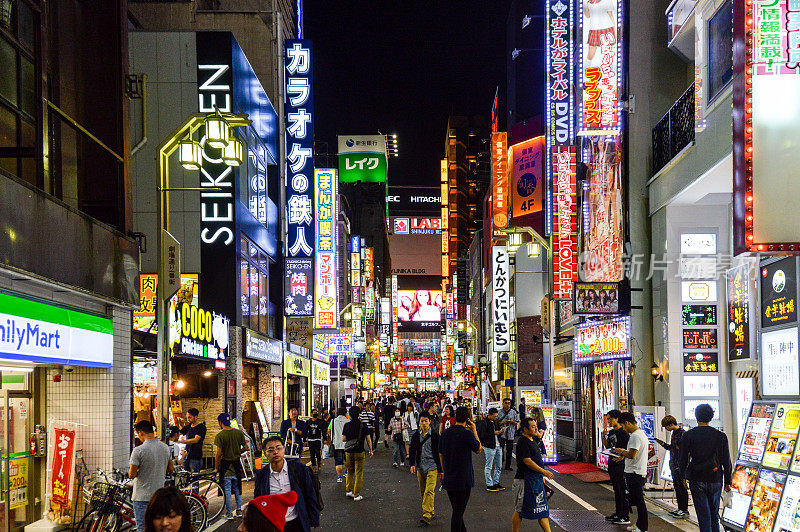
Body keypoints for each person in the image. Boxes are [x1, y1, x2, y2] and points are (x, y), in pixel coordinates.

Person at [679, 404, 732, 532]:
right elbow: (726, 460)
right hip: (716, 478)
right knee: (714, 514)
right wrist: (728, 481)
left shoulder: (688, 435)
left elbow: (683, 459)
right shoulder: (720, 436)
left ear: (696, 417)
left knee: (703, 515)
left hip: (697, 478)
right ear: (711, 417)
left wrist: (683, 478)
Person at [254, 435, 322, 531]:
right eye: (270, 450)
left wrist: (315, 521)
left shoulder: (299, 469)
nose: (275, 452)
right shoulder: (262, 475)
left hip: (296, 523)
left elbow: (310, 494)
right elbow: (258, 500)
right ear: (265, 454)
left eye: (278, 448)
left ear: (284, 449)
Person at [439, 406, 482, 532]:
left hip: (449, 477)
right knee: (458, 513)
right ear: (468, 419)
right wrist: (474, 430)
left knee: (457, 510)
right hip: (464, 479)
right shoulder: (467, 434)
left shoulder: (445, 433)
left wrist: (443, 471)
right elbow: (478, 449)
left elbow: (440, 453)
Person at [129, 421, 174, 532]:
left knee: (143, 528)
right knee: (157, 528)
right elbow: (171, 469)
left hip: (141, 497)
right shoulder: (165, 448)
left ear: (140, 433)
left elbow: (132, 474)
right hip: (158, 496)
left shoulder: (138, 450)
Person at [512, 418, 554, 532]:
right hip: (524, 480)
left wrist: (541, 477)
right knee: (520, 510)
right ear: (525, 429)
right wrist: (543, 471)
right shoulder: (522, 441)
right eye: (533, 426)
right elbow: (527, 461)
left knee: (542, 509)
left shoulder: (533, 440)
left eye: (536, 426)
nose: (536, 428)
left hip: (536, 480)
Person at [613, 412, 649, 532]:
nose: (624, 428)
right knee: (638, 501)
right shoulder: (641, 434)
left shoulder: (635, 436)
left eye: (623, 425)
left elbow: (632, 455)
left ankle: (642, 527)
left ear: (627, 423)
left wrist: (621, 451)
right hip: (639, 471)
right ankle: (639, 524)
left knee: (639, 502)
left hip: (634, 473)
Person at [409, 413, 443, 526]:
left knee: (429, 490)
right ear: (419, 422)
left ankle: (426, 514)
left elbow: (439, 453)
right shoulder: (415, 436)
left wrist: (441, 469)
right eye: (422, 421)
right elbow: (412, 450)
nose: (424, 423)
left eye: (426, 421)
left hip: (432, 466)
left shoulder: (435, 436)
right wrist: (412, 464)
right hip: (420, 466)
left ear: (429, 422)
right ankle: (430, 509)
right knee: (423, 491)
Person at [214, 412, 249, 520]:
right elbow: (246, 447)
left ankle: (229, 513)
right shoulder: (238, 433)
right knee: (238, 488)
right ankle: (239, 510)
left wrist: (216, 468)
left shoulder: (220, 435)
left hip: (226, 466)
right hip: (236, 464)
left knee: (228, 490)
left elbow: (218, 454)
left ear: (220, 423)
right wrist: (238, 451)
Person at [602, 409, 630, 526]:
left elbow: (629, 450)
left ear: (617, 419)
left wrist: (623, 458)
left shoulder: (624, 433)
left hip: (621, 465)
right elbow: (608, 446)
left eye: (610, 419)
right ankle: (618, 513)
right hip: (612, 463)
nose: (608, 421)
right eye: (607, 419)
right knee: (616, 489)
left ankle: (624, 515)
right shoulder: (612, 432)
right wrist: (604, 437)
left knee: (621, 490)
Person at [656, 415, 688, 518]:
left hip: (680, 465)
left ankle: (684, 510)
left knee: (682, 488)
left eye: (666, 427)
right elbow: (673, 448)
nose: (666, 429)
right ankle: (680, 508)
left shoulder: (683, 434)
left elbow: (684, 451)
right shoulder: (674, 433)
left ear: (670, 424)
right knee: (677, 487)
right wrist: (663, 444)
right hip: (674, 463)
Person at [342, 406, 373, 500]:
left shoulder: (347, 425)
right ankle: (356, 494)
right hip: (359, 451)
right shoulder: (363, 425)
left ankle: (349, 491)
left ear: (349, 414)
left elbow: (343, 438)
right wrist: (371, 450)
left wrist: (351, 438)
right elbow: (368, 439)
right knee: (359, 473)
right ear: (359, 414)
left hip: (349, 451)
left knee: (350, 471)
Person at [477, 407, 505, 491]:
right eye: (495, 416)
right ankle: (489, 484)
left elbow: (496, 432)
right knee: (489, 465)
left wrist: (500, 432)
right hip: (489, 446)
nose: (496, 418)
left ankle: (496, 482)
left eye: (496, 416)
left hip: (498, 445)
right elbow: (482, 435)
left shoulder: (495, 422)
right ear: (489, 415)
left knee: (498, 466)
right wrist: (493, 433)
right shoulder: (483, 423)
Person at [179, 408, 206, 474]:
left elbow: (196, 440)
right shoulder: (188, 427)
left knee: (194, 477)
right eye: (187, 417)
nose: (188, 419)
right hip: (186, 455)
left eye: (190, 417)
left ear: (196, 417)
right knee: (185, 475)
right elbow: (179, 432)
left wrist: (181, 441)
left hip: (195, 456)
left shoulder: (201, 427)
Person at [498, 398, 520, 471]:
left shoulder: (513, 412)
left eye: (509, 403)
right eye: (506, 403)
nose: (508, 405)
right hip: (502, 434)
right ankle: (500, 464)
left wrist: (512, 421)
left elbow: (517, 422)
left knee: (509, 450)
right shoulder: (499, 412)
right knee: (500, 450)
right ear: (503, 403)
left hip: (510, 434)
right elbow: (497, 423)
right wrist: (504, 422)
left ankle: (508, 466)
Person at [329, 406, 349, 483]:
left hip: (336, 444)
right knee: (347, 460)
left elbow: (329, 430)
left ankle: (339, 477)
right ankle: (347, 473)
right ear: (345, 413)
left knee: (338, 461)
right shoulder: (348, 421)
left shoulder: (333, 421)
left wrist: (331, 438)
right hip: (346, 444)